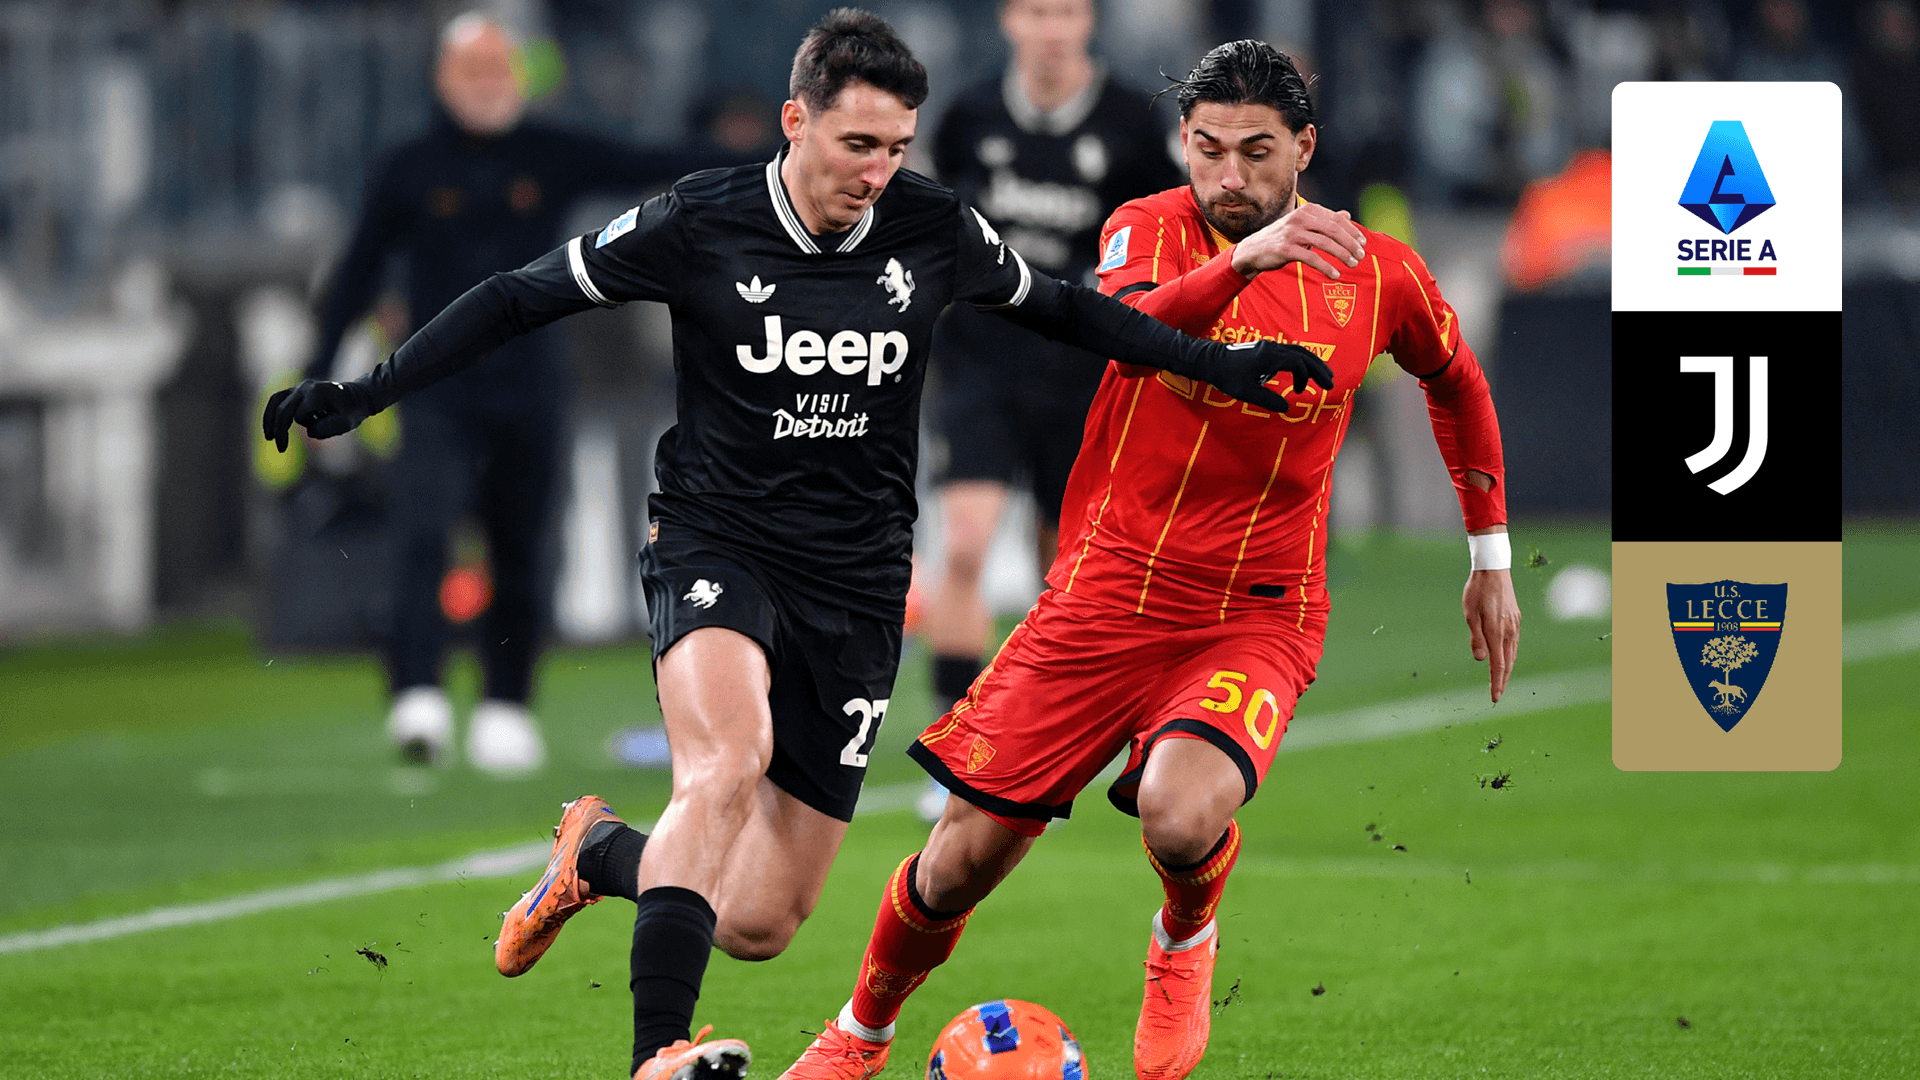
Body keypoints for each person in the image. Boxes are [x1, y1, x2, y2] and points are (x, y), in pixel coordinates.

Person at [262, 13, 1331, 1080]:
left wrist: (1218, 365)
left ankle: (597, 853)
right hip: (716, 537)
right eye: (856, 144)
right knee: (728, 760)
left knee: (764, 919)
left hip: (858, 582)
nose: (877, 171)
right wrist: (365, 390)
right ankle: (659, 1054)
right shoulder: (700, 221)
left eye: (896, 147)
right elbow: (516, 297)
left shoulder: (933, 229)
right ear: (795, 121)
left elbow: (1067, 312)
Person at [778, 40, 1520, 1080]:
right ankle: (861, 1032)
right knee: (958, 864)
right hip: (1104, 597)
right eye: (1208, 149)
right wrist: (1240, 265)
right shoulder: (1146, 228)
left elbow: (1458, 382)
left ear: (1303, 148)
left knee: (1179, 810)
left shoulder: (1375, 271)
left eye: (1257, 153)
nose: (1229, 177)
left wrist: (1490, 556)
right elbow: (1118, 333)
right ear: (1183, 143)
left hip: (1257, 608)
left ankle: (1183, 938)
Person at [308, 12, 724, 774]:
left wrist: (774, 155)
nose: (490, 86)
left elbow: (651, 162)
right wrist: (319, 373)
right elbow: (357, 272)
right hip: (434, 386)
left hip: (531, 385)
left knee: (522, 546)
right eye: (474, 71)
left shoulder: (552, 151)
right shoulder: (408, 166)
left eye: (502, 70)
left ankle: (505, 705)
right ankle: (417, 694)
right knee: (424, 531)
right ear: (444, 79)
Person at [918, 0, 1181, 813]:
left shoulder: (1135, 123)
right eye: (1038, 11)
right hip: (981, 361)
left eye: (1066, 11)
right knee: (962, 545)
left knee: (1066, 569)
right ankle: (954, 737)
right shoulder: (969, 114)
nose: (1052, 28)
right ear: (1008, 21)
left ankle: (1051, 734)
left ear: (1089, 21)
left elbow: (1173, 231)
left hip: (1082, 372)